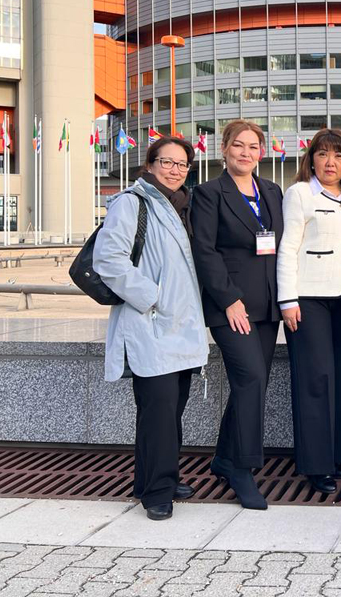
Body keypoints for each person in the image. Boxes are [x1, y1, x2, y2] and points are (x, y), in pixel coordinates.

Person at [94, 137, 208, 521]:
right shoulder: (132, 202)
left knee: (170, 410)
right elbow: (108, 259)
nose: (175, 170)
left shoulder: (184, 206)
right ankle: (157, 492)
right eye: (167, 162)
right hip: (150, 322)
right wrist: (152, 297)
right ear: (150, 163)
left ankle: (155, 478)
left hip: (181, 324)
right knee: (158, 409)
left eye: (182, 164)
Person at [191, 120, 283, 510]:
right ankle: (243, 469)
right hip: (231, 307)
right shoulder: (209, 193)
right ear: (224, 149)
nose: (246, 153)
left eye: (253, 146)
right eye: (238, 145)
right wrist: (229, 299)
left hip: (267, 306)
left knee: (252, 385)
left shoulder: (272, 191)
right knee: (251, 379)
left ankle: (225, 459)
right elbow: (204, 250)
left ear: (261, 152)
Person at [277, 128, 341, 494]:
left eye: (339, 155)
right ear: (311, 159)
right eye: (323, 154)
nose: (331, 162)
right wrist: (287, 300)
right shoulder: (299, 193)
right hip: (308, 299)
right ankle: (316, 465)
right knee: (315, 379)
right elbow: (287, 247)